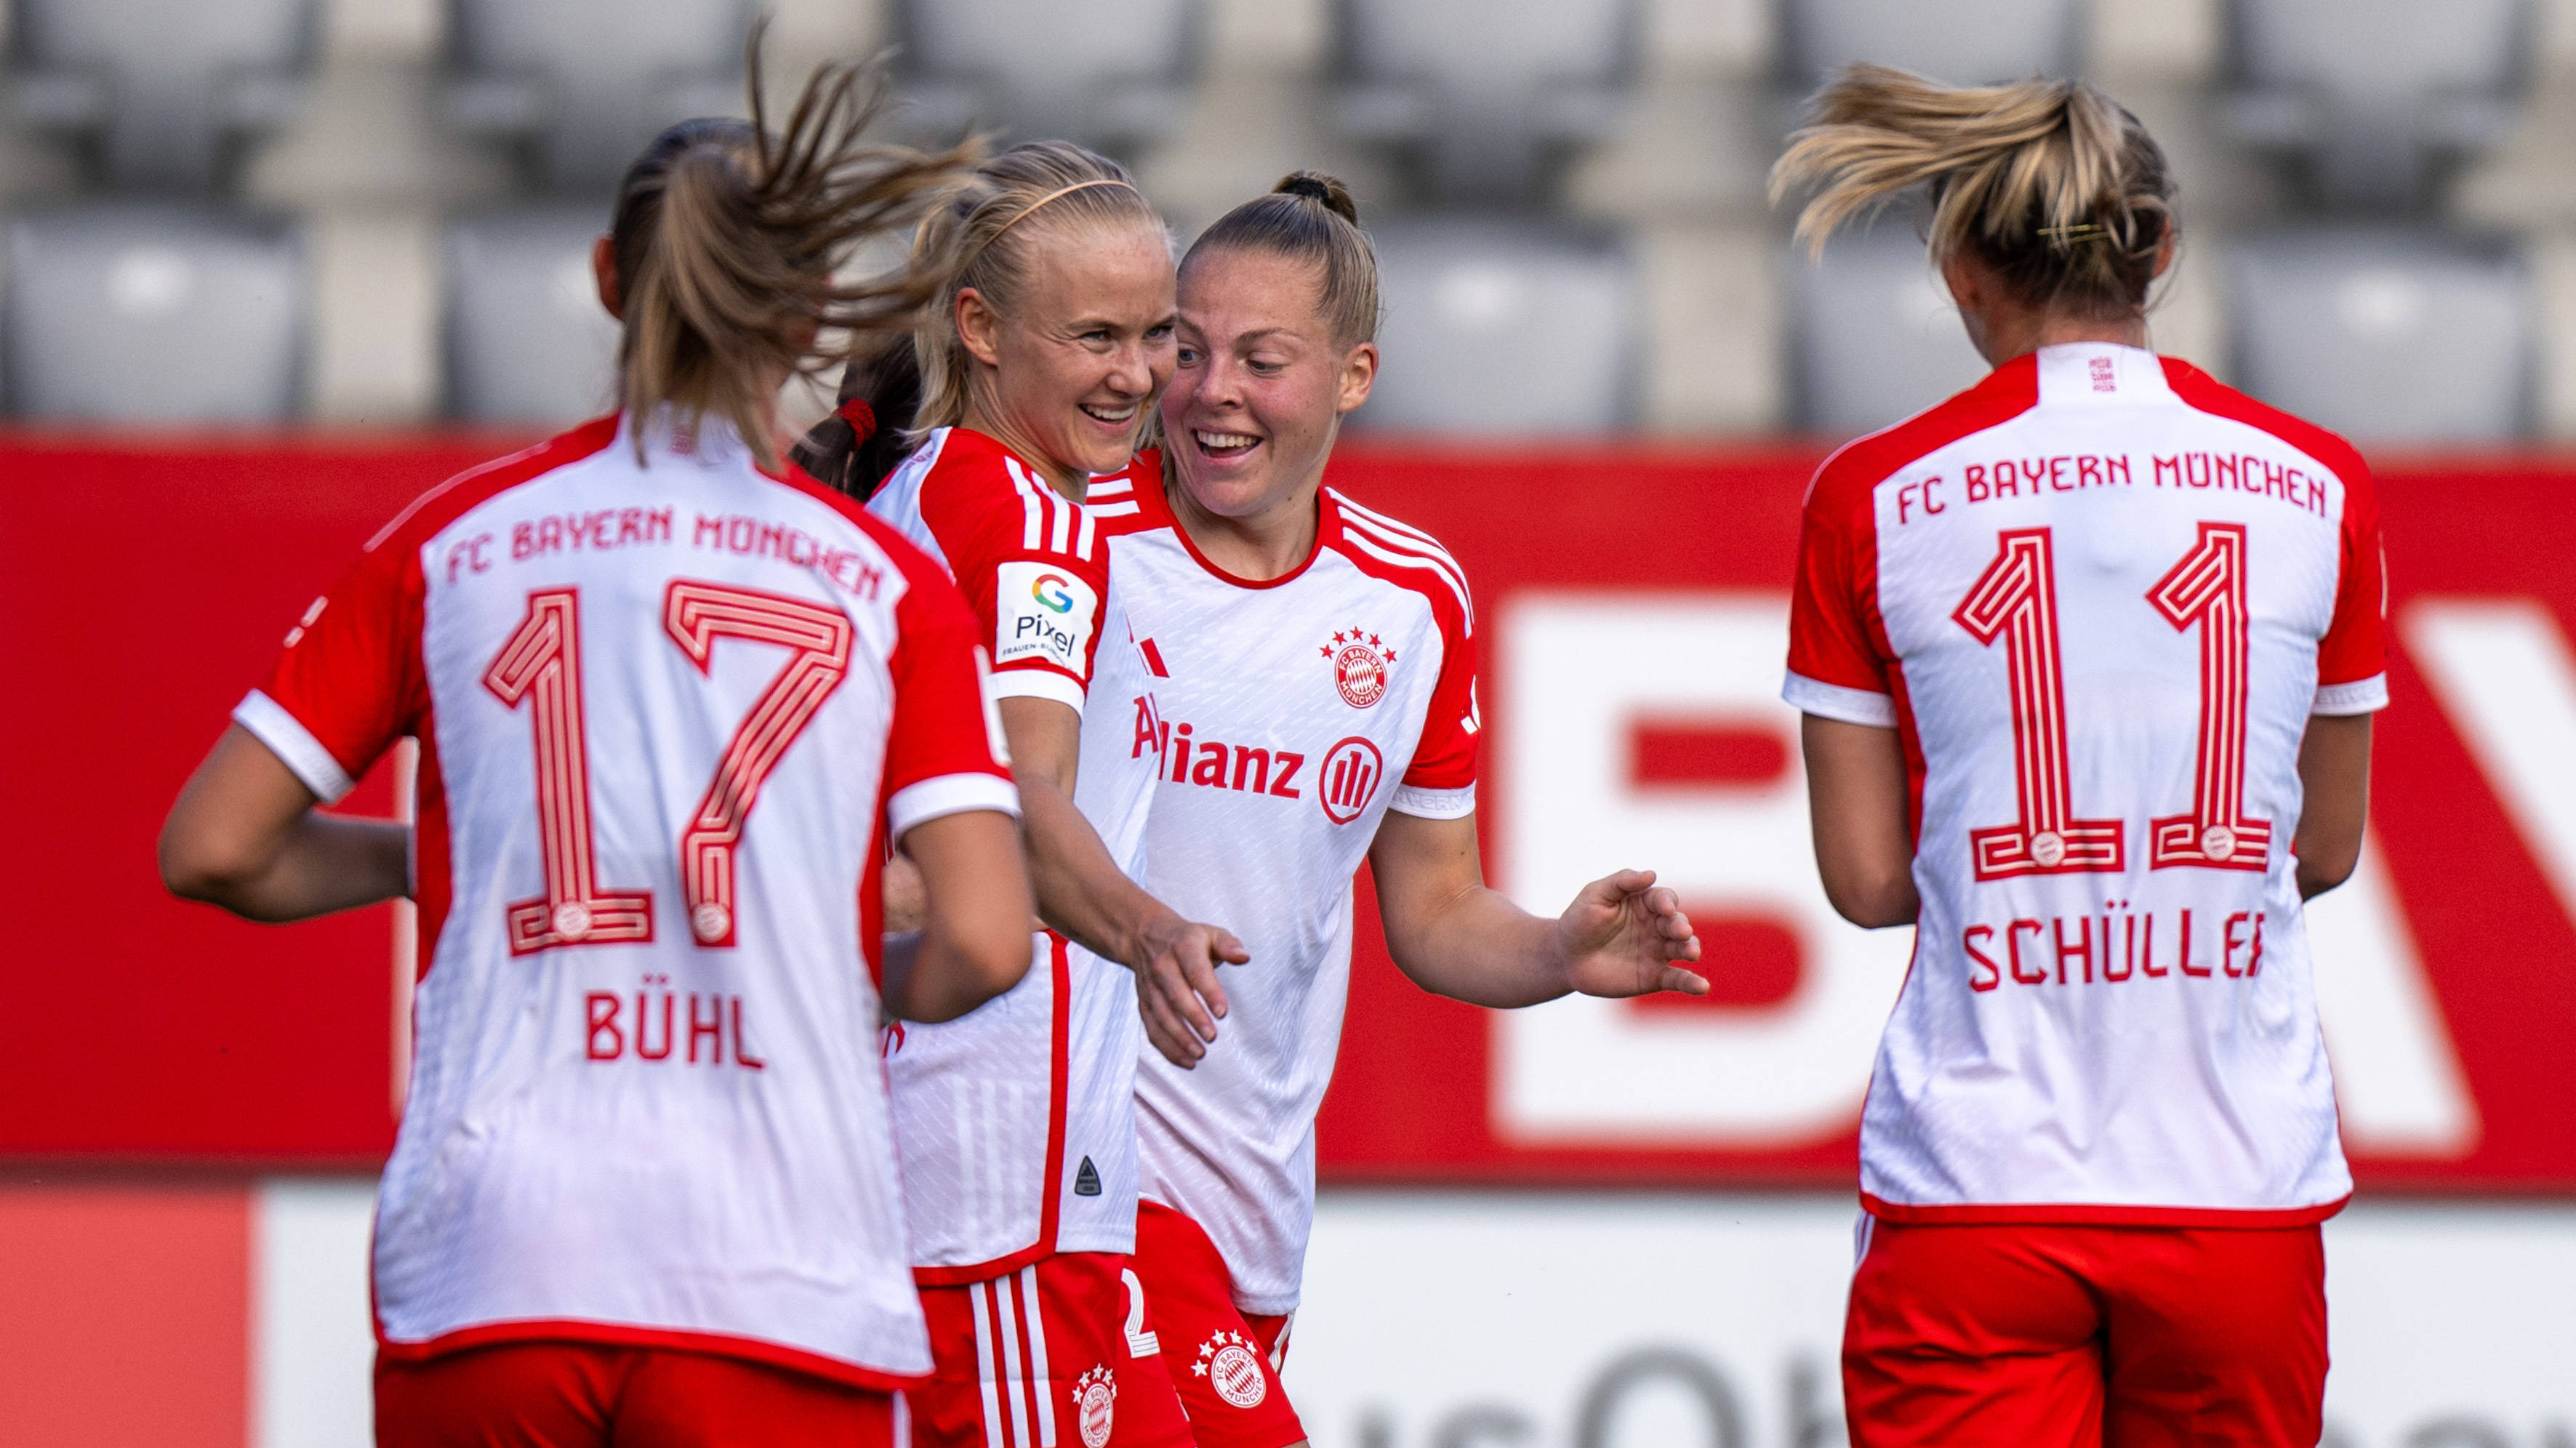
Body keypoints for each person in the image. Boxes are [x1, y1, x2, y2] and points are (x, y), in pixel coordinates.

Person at [156, 58, 1030, 1448]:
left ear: (608, 281)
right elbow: (986, 940)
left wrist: (422, 863)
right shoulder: (881, 582)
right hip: (778, 1275)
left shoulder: (453, 541)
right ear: (807, 308)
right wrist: (816, 949)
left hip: (496, 1265)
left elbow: (213, 847)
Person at [1772, 65, 2383, 1448]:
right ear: (2161, 251)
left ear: (1959, 268)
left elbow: (1869, 884)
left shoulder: (1869, 497)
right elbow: (2323, 850)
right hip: (2237, 1192)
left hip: (1979, 1190)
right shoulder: (2320, 484)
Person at [1112, 172, 1710, 1448]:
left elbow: (1433, 909)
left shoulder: (1409, 600)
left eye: (1261, 360)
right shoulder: (1076, 542)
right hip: (1089, 1181)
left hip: (1253, 1207)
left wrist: (1556, 949)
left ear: (1354, 375)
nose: (1211, 391)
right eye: (1187, 348)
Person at [852, 140, 1232, 1448]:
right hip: (998, 1153)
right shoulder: (1033, 519)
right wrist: (1147, 933)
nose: (1138, 376)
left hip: (931, 1135)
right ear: (981, 329)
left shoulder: (914, 488)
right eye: (1095, 337)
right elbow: (1020, 797)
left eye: (1157, 335)